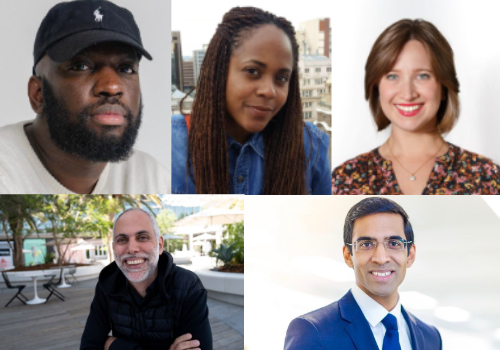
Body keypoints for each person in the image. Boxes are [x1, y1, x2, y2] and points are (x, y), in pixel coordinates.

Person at [0, 0, 170, 194]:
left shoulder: (153, 178)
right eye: (80, 66)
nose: (112, 86)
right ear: (38, 94)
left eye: (126, 68)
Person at [171, 7, 331, 195]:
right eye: (253, 71)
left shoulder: (312, 146)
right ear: (219, 70)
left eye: (281, 78)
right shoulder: (171, 143)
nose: (269, 91)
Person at [332, 19, 500, 195]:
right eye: (392, 76)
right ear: (376, 87)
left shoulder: (487, 176)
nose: (408, 93)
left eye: (422, 76)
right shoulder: (343, 180)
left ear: (443, 86)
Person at [284, 197, 441, 350]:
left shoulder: (430, 337)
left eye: (394, 243)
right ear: (348, 256)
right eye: (366, 244)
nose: (381, 258)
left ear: (410, 255)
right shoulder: (313, 331)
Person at [80, 208, 212, 350]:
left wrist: (114, 345)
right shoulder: (107, 285)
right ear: (114, 248)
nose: (132, 248)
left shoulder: (188, 286)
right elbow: (89, 345)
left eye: (142, 237)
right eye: (122, 240)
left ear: (160, 245)